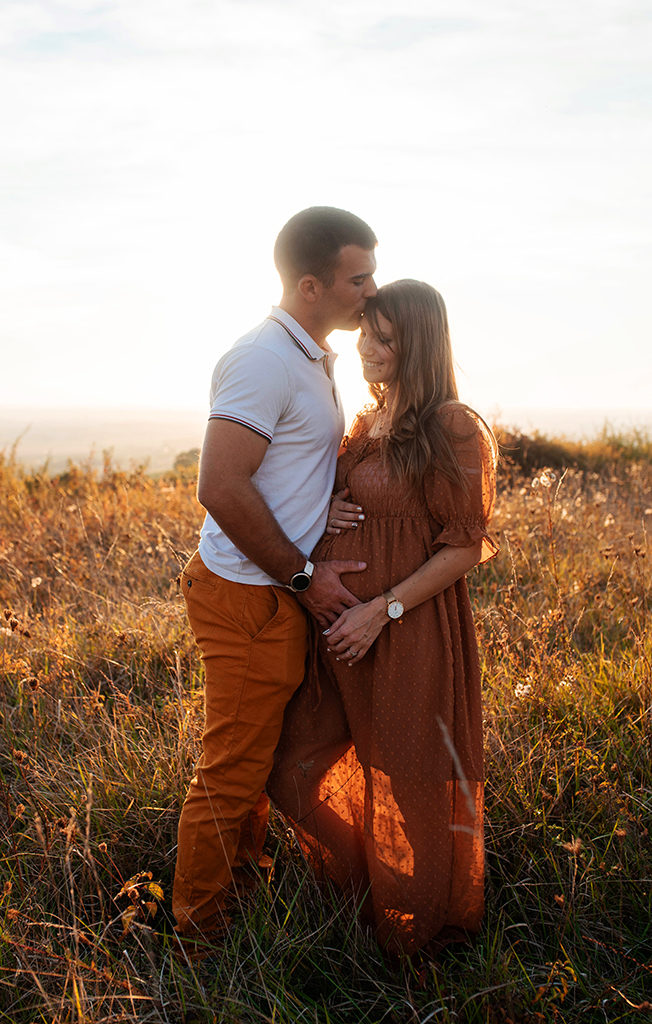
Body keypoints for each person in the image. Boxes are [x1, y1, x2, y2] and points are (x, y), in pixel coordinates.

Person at [269, 279, 498, 956]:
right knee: (292, 767)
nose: (368, 347)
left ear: (419, 346)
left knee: (410, 780)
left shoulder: (451, 425)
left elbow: (464, 547)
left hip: (407, 630)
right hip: (340, 631)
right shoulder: (366, 421)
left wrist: (383, 609)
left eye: (387, 339)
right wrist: (326, 515)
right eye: (367, 331)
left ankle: (416, 939)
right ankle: (375, 879)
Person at [172, 207, 378, 944]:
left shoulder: (312, 357)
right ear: (311, 284)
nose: (372, 290)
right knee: (231, 768)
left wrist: (328, 511)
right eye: (360, 278)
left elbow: (285, 470)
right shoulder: (264, 358)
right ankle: (201, 939)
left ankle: (243, 894)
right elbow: (221, 485)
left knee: (259, 761)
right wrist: (304, 576)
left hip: (273, 590)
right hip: (250, 594)